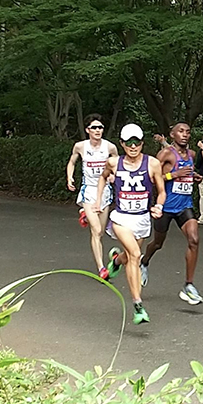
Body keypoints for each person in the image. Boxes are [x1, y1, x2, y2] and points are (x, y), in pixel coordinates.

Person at [95, 124, 166, 325]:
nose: (133, 146)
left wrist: (159, 206)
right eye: (129, 143)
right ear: (122, 144)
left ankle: (117, 260)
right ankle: (138, 305)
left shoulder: (152, 164)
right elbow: (102, 178)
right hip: (121, 217)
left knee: (129, 256)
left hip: (142, 218)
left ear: (142, 143)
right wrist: (99, 200)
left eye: (137, 142)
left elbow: (161, 191)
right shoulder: (113, 163)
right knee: (135, 255)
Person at [139, 123, 203, 305]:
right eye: (181, 131)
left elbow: (187, 175)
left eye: (188, 132)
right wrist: (174, 175)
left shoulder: (191, 155)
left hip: (184, 206)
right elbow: (151, 177)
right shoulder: (166, 154)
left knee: (194, 240)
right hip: (165, 206)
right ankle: (144, 262)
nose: (185, 135)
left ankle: (188, 286)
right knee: (158, 243)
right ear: (172, 134)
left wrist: (193, 177)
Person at [66, 113, 118, 279]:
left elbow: (118, 165)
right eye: (94, 127)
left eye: (100, 127)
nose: (98, 130)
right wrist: (70, 177)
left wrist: (112, 176)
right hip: (89, 190)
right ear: (88, 130)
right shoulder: (80, 146)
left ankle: (86, 216)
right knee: (95, 231)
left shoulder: (110, 147)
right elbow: (72, 162)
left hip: (104, 192)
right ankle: (102, 268)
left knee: (101, 231)